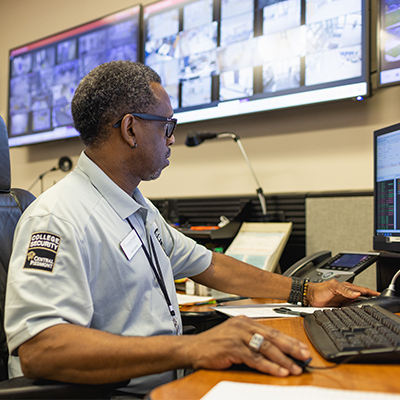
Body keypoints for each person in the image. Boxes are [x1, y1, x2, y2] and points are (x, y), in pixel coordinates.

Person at [4, 61, 378, 397]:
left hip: (167, 383)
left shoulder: (136, 207)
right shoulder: (58, 217)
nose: (172, 138)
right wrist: (196, 347)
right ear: (131, 129)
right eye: (167, 125)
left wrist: (306, 291)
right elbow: (42, 349)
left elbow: (210, 264)